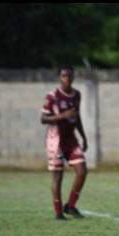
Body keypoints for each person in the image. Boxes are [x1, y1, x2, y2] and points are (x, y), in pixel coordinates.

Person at [40, 65, 88, 220]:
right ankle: (58, 212)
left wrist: (83, 136)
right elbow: (43, 118)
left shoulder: (76, 95)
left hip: (71, 139)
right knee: (58, 175)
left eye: (69, 75)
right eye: (64, 75)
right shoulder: (52, 96)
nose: (67, 78)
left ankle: (71, 205)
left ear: (73, 77)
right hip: (56, 140)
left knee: (82, 171)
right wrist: (63, 115)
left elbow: (77, 116)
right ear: (59, 77)